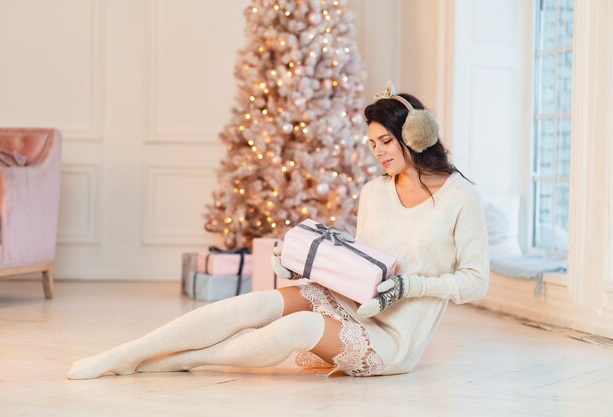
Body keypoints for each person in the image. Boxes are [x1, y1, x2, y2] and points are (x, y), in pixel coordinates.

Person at [67, 81, 489, 380]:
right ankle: (126, 354)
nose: (377, 153)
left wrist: (409, 287)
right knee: (258, 303)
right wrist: (307, 267)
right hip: (352, 303)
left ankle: (180, 361)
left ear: (414, 136)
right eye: (372, 144)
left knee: (299, 328)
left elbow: (476, 282)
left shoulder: (460, 199)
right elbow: (364, 263)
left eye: (384, 142)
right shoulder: (374, 192)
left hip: (394, 338)